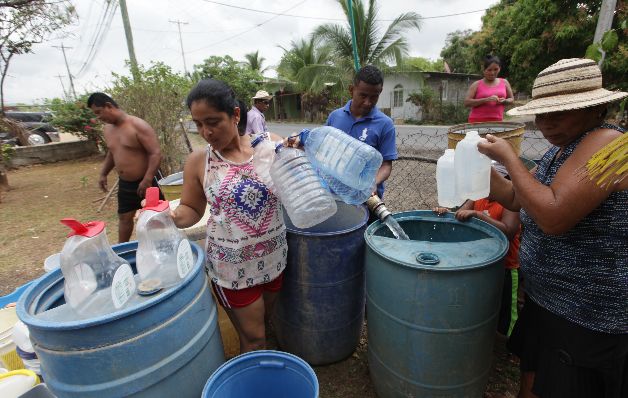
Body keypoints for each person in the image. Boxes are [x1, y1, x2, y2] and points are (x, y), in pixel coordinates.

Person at [477, 58, 628, 398]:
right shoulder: (562, 151)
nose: (546, 124)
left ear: (596, 107)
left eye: (559, 113)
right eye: (541, 115)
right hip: (549, 302)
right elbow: (518, 197)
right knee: (534, 381)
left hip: (585, 313)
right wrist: (475, 167)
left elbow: (552, 216)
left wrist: (509, 159)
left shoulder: (612, 146)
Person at [174, 79, 287, 353]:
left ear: (236, 115)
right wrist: (168, 217)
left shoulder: (269, 146)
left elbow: (296, 184)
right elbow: (192, 210)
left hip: (274, 259)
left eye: (212, 121)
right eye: (198, 124)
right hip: (232, 269)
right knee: (255, 337)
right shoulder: (199, 162)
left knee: (264, 326)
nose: (206, 132)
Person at [434, 184, 522, 337]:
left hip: (506, 266)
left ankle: (509, 343)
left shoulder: (510, 203)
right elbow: (461, 214)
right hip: (481, 263)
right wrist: (446, 212)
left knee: (507, 308)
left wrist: (479, 216)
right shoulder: (477, 196)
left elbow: (508, 231)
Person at [88, 92, 162, 243]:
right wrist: (103, 174)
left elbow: (155, 153)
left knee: (156, 218)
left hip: (148, 182)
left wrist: (147, 179)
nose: (98, 117)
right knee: (124, 217)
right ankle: (123, 249)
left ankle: (163, 246)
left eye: (98, 112)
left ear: (108, 106)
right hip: (126, 183)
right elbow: (112, 151)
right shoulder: (108, 129)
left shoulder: (137, 125)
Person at [325, 65, 398, 199]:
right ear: (351, 90)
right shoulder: (334, 117)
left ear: (380, 92)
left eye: (374, 97)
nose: (367, 102)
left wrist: (372, 183)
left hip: (365, 199)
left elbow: (386, 165)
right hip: (334, 195)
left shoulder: (385, 124)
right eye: (363, 95)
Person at [464, 55, 515, 123]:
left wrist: (504, 101)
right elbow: (466, 102)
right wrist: (486, 99)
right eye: (489, 70)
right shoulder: (476, 84)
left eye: (496, 69)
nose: (492, 73)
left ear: (499, 68)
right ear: (484, 70)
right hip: (477, 122)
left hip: (498, 121)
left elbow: (512, 100)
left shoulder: (504, 82)